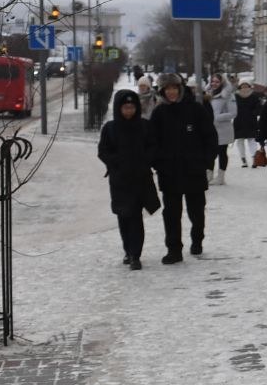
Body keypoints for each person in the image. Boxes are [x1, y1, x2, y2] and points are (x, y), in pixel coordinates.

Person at [147, 72, 217, 263]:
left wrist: (207, 163)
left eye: (174, 88)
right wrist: (158, 162)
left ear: (180, 89)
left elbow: (210, 137)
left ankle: (197, 240)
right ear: (162, 91)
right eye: (167, 89)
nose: (171, 92)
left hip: (194, 170)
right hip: (169, 173)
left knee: (196, 211)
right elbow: (151, 141)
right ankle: (174, 249)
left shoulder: (196, 110)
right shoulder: (159, 113)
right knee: (171, 213)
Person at [96, 90, 158, 270]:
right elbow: (103, 151)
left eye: (132, 107)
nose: (128, 111)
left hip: (140, 179)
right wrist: (116, 162)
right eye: (125, 107)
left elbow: (153, 146)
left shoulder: (144, 126)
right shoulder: (110, 128)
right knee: (124, 216)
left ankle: (135, 254)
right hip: (120, 181)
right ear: (118, 108)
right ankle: (127, 250)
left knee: (136, 217)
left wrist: (145, 160)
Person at [207, 77, 236, 186]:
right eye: (212, 81)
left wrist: (217, 117)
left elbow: (233, 113)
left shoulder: (228, 96)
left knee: (221, 152)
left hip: (223, 129)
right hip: (210, 128)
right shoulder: (208, 94)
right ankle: (209, 174)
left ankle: (221, 177)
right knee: (210, 152)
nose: (214, 84)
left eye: (217, 82)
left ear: (222, 83)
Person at [233, 80, 263, 167]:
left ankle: (254, 159)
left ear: (250, 86)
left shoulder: (254, 96)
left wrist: (252, 113)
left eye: (246, 86)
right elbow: (232, 108)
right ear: (240, 87)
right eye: (243, 86)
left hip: (251, 122)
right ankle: (243, 160)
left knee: (252, 141)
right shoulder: (235, 97)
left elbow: (259, 108)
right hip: (239, 122)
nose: (245, 87)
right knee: (240, 141)